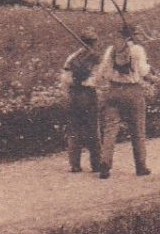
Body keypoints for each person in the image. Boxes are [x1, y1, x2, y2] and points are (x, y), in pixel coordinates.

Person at [89, 28, 151, 179]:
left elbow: (102, 72)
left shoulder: (111, 49)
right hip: (133, 91)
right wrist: (149, 71)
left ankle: (105, 164)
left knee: (110, 130)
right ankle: (141, 166)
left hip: (113, 90)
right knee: (137, 131)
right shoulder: (137, 50)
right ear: (132, 35)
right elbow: (143, 71)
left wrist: (100, 83)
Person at [60, 33, 101, 173]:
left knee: (74, 130)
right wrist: (83, 81)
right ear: (92, 43)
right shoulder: (95, 58)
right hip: (87, 95)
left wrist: (72, 87)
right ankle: (95, 164)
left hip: (74, 95)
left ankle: (75, 164)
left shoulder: (71, 58)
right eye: (95, 42)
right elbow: (96, 78)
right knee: (92, 129)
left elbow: (65, 78)